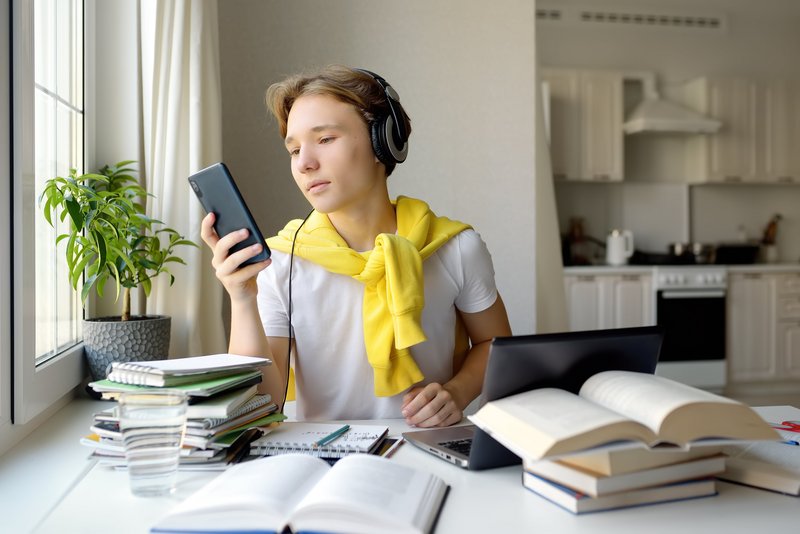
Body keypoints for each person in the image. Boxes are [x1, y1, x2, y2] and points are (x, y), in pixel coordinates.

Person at [201, 65, 511, 428]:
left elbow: (496, 345)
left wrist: (457, 392)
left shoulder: (456, 247)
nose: (304, 163)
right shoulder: (281, 262)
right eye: (294, 149)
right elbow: (261, 400)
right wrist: (241, 297)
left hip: (424, 449)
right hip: (319, 457)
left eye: (325, 139)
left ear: (383, 141)